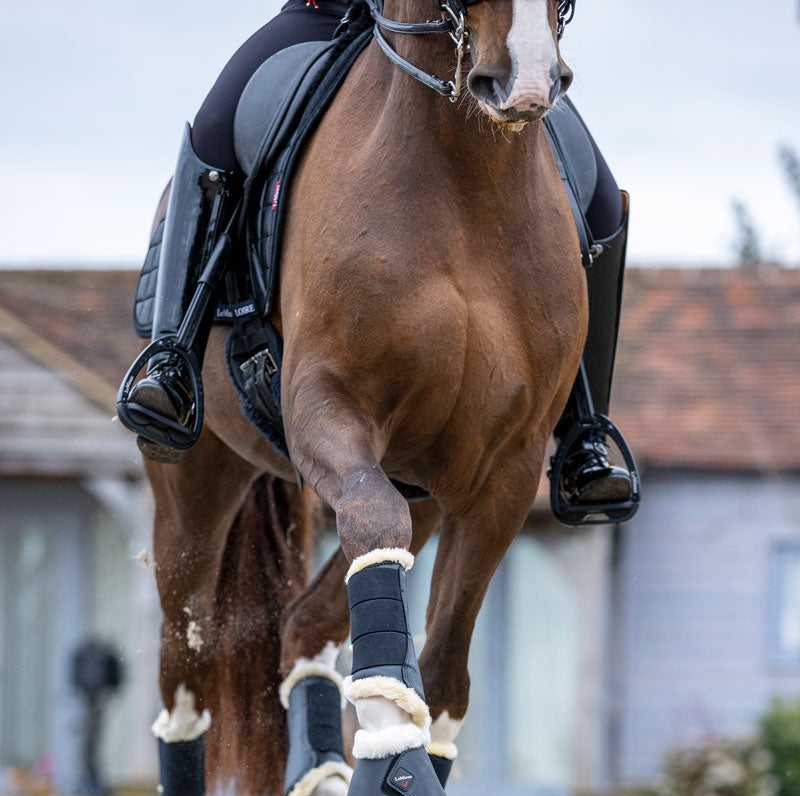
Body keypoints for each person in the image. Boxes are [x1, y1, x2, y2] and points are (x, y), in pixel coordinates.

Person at [124, 0, 633, 511]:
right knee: (215, 130)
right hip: (327, 12)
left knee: (604, 204)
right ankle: (173, 359)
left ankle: (583, 432)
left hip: (469, 25)